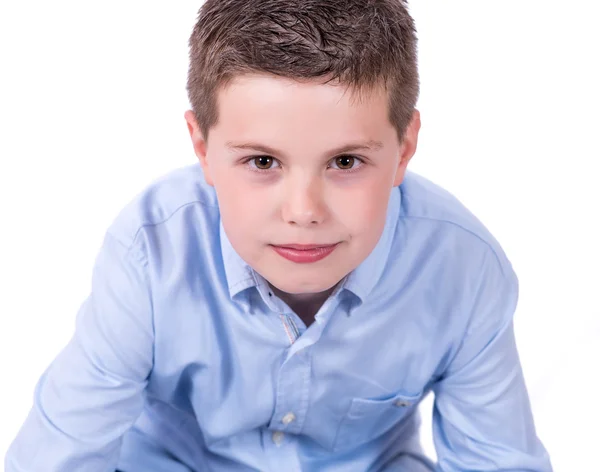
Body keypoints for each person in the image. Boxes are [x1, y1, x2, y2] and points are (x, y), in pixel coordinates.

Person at [5, 1, 553, 471]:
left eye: (346, 160)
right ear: (202, 148)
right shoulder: (151, 254)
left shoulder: (463, 268)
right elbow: (58, 454)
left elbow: (498, 459)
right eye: (263, 160)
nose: (303, 211)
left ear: (404, 147)